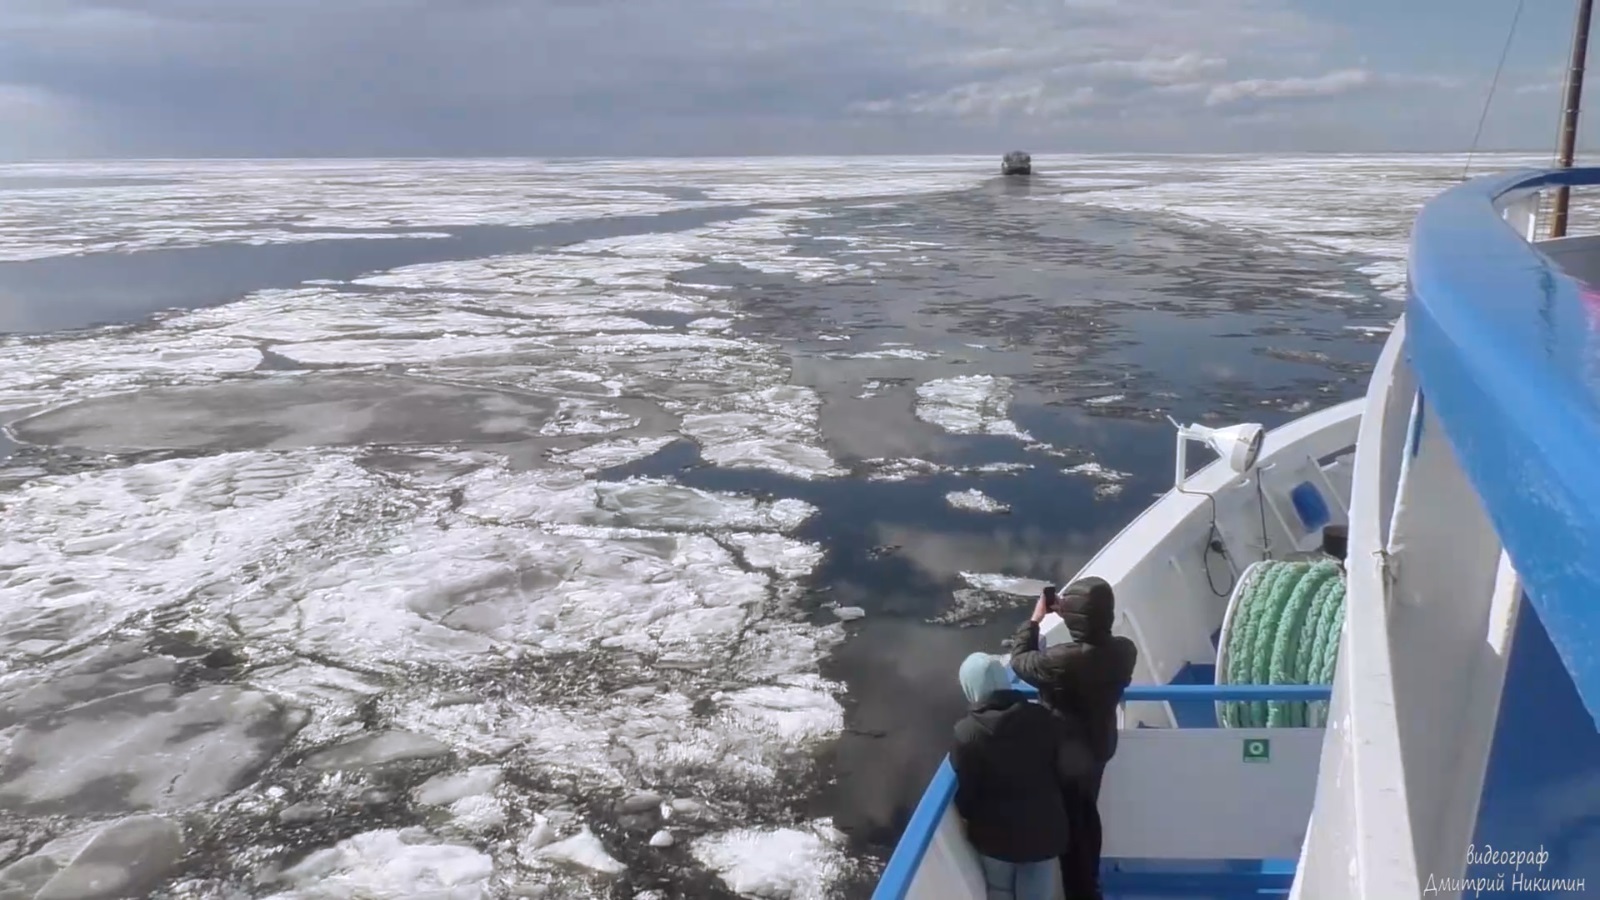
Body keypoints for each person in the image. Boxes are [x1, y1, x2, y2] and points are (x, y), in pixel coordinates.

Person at [1007, 577, 1138, 900]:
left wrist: (1036, 620)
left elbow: (1021, 660)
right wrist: (1070, 613)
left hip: (1067, 759)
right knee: (1087, 817)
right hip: (1099, 748)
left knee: (1073, 831)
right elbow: (1093, 646)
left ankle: (1082, 891)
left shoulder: (1063, 660)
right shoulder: (1124, 651)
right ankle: (1087, 882)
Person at [951, 652, 1091, 900]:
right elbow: (1066, 771)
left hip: (994, 838)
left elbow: (967, 795)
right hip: (1045, 832)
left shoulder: (966, 733)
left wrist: (968, 818)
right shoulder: (1044, 719)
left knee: (999, 889)